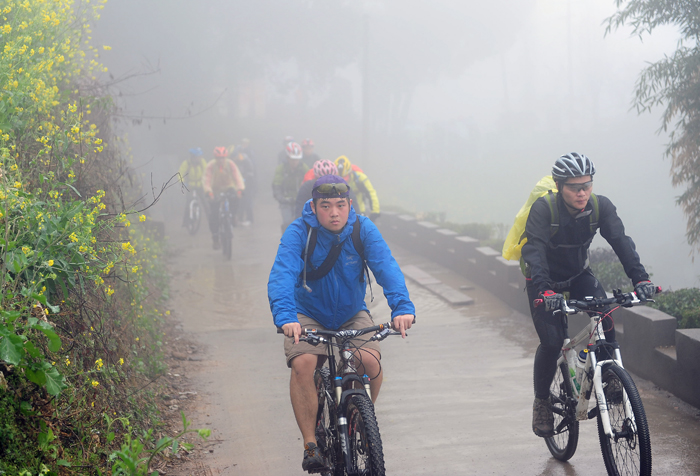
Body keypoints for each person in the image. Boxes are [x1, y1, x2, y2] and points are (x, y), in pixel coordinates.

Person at [268, 174, 415, 473]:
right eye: (325, 206)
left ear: (349, 205)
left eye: (340, 205)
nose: (334, 213)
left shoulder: (363, 229)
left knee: (370, 362)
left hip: (351, 311)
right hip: (307, 312)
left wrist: (402, 307)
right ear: (313, 206)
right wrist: (286, 318)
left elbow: (386, 266)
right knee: (304, 363)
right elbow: (282, 274)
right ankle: (311, 442)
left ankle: (361, 418)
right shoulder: (299, 232)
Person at [521, 152, 656, 438]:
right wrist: (545, 290)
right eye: (574, 187)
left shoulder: (600, 207)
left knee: (606, 319)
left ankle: (610, 378)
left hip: (578, 274)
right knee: (553, 341)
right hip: (543, 281)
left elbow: (621, 242)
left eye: (587, 185)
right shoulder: (544, 209)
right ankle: (542, 401)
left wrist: (641, 279)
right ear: (559, 186)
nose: (582, 192)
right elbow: (534, 251)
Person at [202, 146, 245, 249]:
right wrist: (209, 192)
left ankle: (233, 216)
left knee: (235, 198)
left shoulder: (230, 164)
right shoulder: (211, 166)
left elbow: (237, 177)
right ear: (215, 158)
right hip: (215, 190)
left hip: (229, 187)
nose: (221, 160)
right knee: (214, 214)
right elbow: (206, 180)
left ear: (225, 157)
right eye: (218, 158)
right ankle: (215, 238)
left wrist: (240, 189)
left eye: (223, 158)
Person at [272, 142, 309, 232]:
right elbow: (276, 185)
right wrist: (280, 198)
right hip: (286, 201)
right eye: (292, 159)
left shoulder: (304, 168)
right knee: (287, 222)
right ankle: (286, 241)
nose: (295, 162)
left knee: (303, 222)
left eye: (297, 159)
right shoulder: (281, 169)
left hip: (300, 200)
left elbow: (309, 183)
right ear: (287, 158)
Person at [334, 155, 381, 220]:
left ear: (350, 172)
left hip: (359, 210)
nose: (344, 181)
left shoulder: (360, 178)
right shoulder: (332, 180)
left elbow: (371, 192)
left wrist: (375, 211)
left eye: (345, 178)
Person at [178, 147, 208, 227]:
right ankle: (185, 222)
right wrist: (182, 182)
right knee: (188, 202)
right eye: (198, 157)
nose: (200, 158)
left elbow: (207, 172)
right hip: (190, 186)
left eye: (200, 156)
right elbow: (180, 173)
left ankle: (211, 220)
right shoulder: (186, 163)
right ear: (193, 157)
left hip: (200, 185)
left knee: (206, 202)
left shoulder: (202, 162)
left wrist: (207, 183)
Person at [229, 144, 256, 225]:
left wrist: (244, 178)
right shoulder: (232, 161)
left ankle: (250, 219)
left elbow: (251, 171)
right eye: (231, 156)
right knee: (238, 201)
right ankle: (239, 219)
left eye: (234, 156)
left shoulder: (245, 159)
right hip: (237, 183)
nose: (233, 158)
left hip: (247, 182)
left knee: (247, 200)